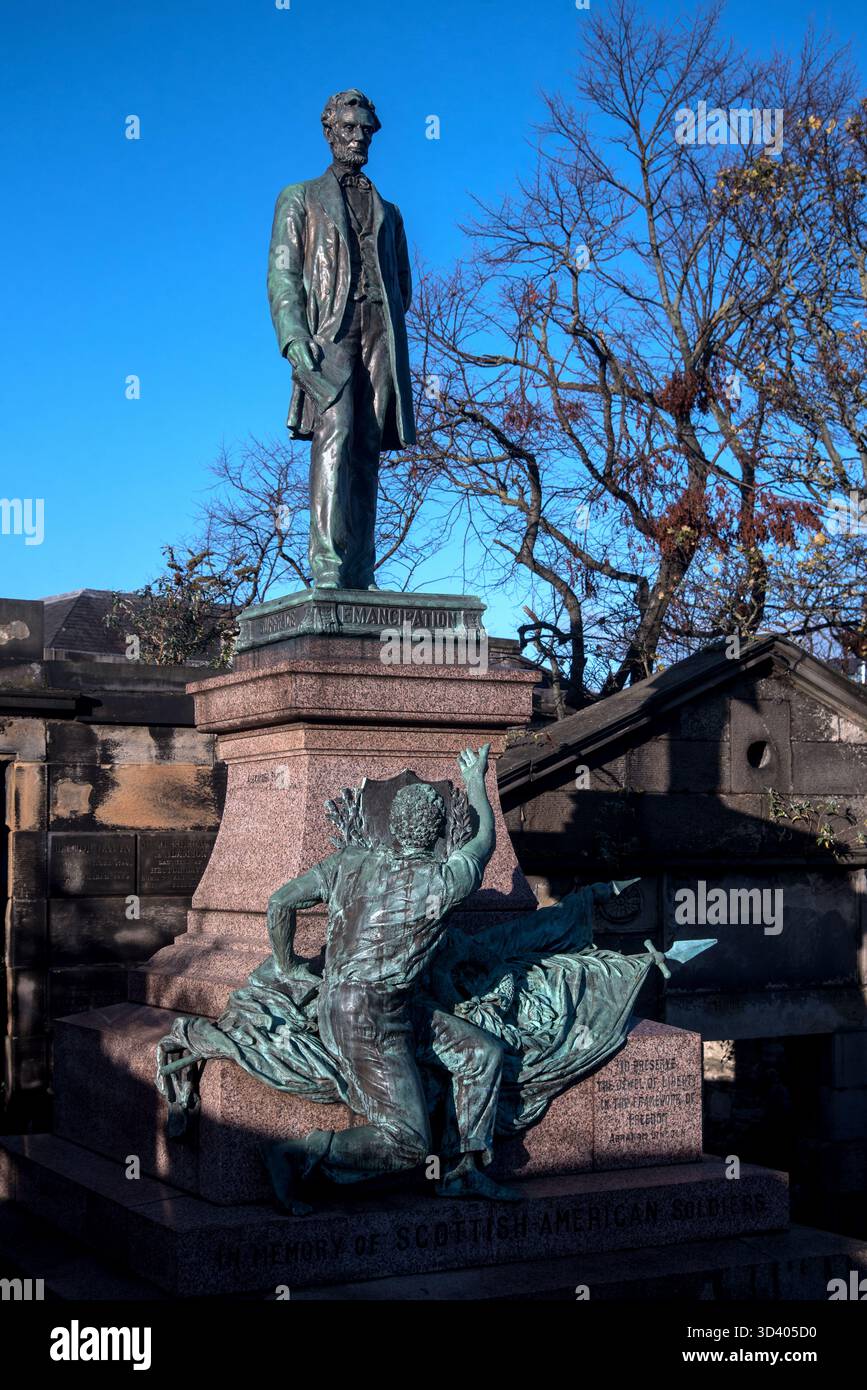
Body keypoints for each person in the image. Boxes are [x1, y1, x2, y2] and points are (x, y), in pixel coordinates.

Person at [262, 745, 520, 1209]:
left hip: (393, 1008)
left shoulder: (350, 861)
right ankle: (299, 1155)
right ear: (441, 834)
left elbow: (279, 903)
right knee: (408, 1143)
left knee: (482, 1054)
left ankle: (463, 1170)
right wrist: (476, 779)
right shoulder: (446, 881)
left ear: (394, 826)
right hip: (364, 1018)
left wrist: (288, 966)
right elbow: (483, 841)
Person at [267, 88, 415, 590]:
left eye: (366, 130)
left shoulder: (390, 212)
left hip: (381, 331)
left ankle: (360, 569)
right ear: (329, 131)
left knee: (368, 447)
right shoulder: (300, 197)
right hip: (329, 333)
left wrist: (383, 313)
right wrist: (293, 337)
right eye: (349, 128)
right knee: (337, 435)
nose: (359, 138)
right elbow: (283, 275)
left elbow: (403, 286)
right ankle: (328, 565)